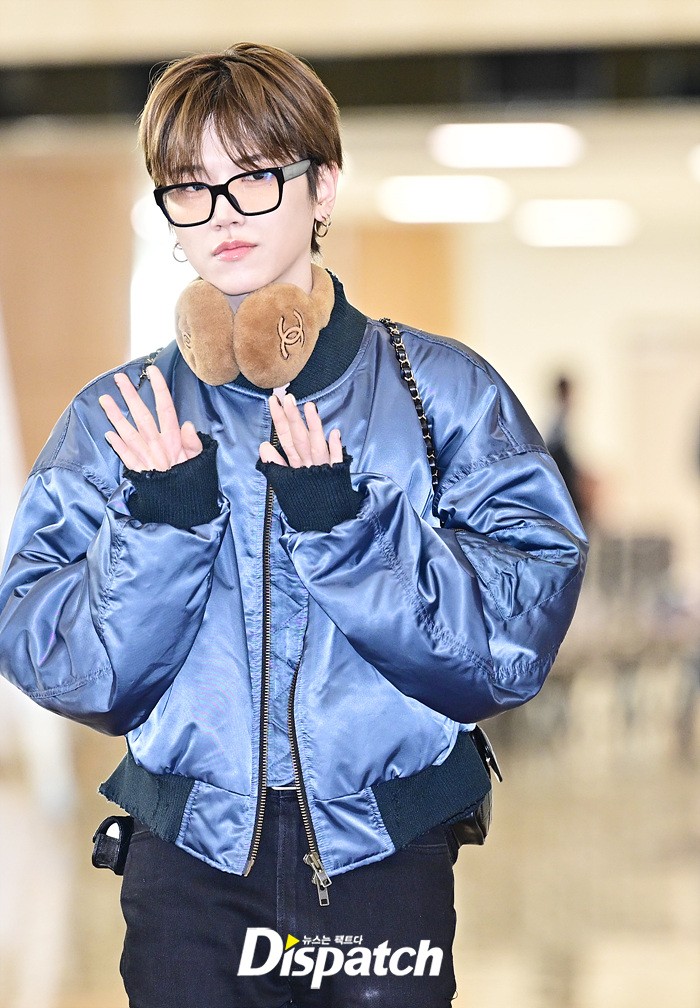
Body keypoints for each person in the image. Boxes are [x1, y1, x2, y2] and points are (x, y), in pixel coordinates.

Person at [0, 43, 587, 1008]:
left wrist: (347, 529)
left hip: (382, 860)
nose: (222, 215)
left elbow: (509, 647)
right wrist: (163, 524)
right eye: (190, 187)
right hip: (187, 869)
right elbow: (63, 662)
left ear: (323, 186)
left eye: (254, 178)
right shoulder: (122, 418)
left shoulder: (440, 393)